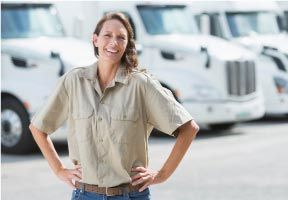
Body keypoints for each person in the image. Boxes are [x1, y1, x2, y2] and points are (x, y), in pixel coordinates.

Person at [29, 12, 199, 200]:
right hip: (85, 194)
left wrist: (161, 174)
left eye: (121, 37)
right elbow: (38, 127)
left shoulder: (141, 85)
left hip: (130, 195)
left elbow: (188, 128)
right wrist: (59, 170)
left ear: (127, 45)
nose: (114, 42)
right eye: (107, 35)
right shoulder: (74, 81)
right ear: (95, 40)